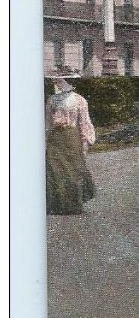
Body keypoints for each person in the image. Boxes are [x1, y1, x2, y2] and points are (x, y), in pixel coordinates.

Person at [46, 71, 96, 215]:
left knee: (73, 171)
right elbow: (48, 121)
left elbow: (84, 122)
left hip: (71, 138)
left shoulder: (79, 100)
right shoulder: (51, 100)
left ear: (68, 81)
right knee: (54, 170)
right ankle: (57, 204)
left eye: (59, 81)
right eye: (56, 81)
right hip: (55, 138)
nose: (56, 83)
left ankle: (73, 204)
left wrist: (86, 141)